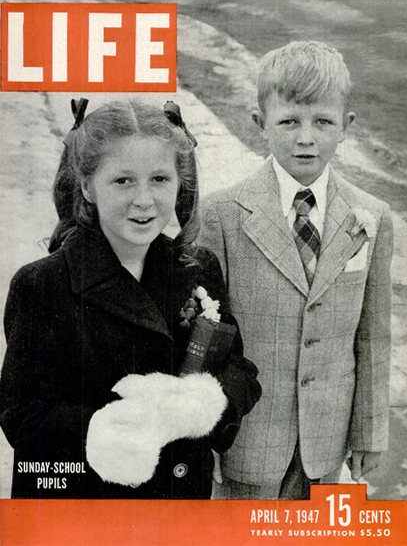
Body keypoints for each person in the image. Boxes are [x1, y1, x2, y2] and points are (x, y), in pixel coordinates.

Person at [0, 98, 262, 499]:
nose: (144, 200)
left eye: (159, 179)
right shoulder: (42, 284)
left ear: (180, 183)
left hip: (178, 500)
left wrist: (200, 405)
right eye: (123, 181)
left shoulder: (197, 268)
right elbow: (20, 414)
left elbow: (240, 371)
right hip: (84, 505)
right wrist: (108, 429)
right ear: (87, 186)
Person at [198, 41, 393, 499]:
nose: (306, 137)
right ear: (259, 124)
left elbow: (372, 332)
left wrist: (369, 429)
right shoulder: (222, 214)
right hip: (244, 440)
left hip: (327, 440)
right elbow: (205, 335)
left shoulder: (372, 216)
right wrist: (203, 432)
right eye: (289, 122)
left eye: (322, 122)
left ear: (346, 127)